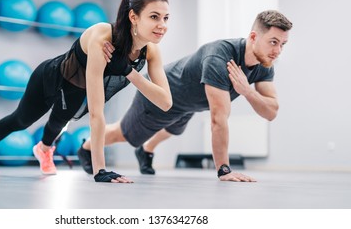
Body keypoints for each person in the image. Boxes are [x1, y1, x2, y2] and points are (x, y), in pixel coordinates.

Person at [0, 0, 172, 183]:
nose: (162, 25)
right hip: (51, 77)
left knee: (57, 125)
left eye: (166, 18)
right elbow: (96, 112)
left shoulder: (151, 51)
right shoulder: (103, 37)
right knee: (21, 120)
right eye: (154, 17)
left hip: (76, 89)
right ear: (134, 17)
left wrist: (129, 72)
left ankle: (43, 150)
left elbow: (165, 103)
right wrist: (100, 171)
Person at [78, 10, 293, 182]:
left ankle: (146, 151)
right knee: (124, 134)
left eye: (282, 44)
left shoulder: (264, 62)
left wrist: (246, 90)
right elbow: (218, 118)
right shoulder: (220, 57)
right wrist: (224, 170)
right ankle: (86, 147)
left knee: (174, 129)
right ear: (254, 36)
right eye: (273, 42)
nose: (278, 50)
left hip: (189, 103)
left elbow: (271, 111)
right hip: (161, 94)